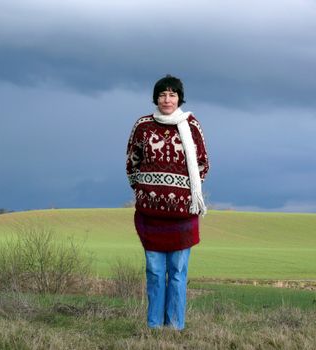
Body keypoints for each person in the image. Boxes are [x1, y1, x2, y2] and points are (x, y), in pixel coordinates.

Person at [126, 74, 209, 330]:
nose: (167, 99)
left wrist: (183, 193)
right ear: (156, 98)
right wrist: (147, 191)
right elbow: (132, 163)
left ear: (179, 98)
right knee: (154, 273)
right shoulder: (142, 126)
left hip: (183, 216)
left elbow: (203, 164)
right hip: (150, 216)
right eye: (162, 94)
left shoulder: (192, 126)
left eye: (172, 94)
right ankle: (153, 327)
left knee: (177, 274)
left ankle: (174, 328)